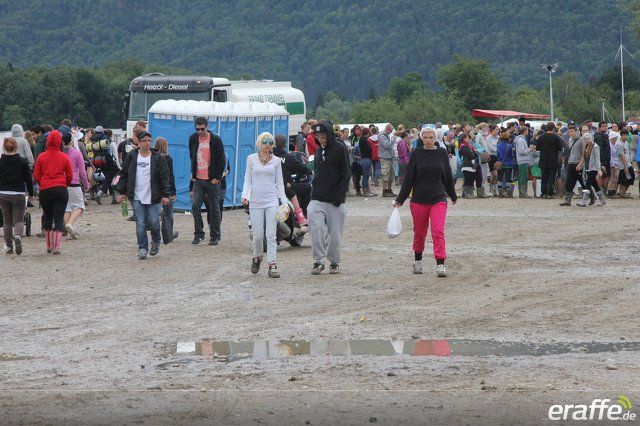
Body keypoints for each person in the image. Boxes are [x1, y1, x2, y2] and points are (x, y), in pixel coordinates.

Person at [393, 127, 457, 277]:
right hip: (419, 199)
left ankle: (440, 263)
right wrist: (400, 199)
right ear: (421, 138)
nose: (428, 140)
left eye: (431, 137)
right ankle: (418, 260)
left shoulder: (442, 152)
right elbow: (409, 178)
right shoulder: (416, 153)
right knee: (419, 233)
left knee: (437, 231)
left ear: (436, 138)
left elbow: (447, 174)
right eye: (425, 137)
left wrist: (452, 194)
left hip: (438, 198)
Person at [117, 131, 171, 259]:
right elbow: (124, 174)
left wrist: (166, 195)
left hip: (154, 196)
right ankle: (142, 248)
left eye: (149, 141)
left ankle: (156, 241)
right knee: (140, 224)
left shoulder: (158, 157)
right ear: (138, 142)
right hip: (136, 196)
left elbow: (165, 177)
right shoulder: (132, 156)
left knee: (154, 222)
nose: (147, 143)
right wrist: (122, 192)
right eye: (144, 141)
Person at [241, 132, 288, 278]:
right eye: (264, 142)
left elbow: (279, 183)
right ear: (258, 143)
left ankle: (272, 264)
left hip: (271, 201)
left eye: (270, 142)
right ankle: (257, 256)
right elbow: (247, 179)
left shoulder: (277, 161)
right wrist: (244, 195)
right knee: (257, 236)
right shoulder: (251, 159)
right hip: (255, 201)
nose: (267, 145)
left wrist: (284, 201)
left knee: (271, 235)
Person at [307, 121, 350, 275]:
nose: (320, 139)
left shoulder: (340, 149)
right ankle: (318, 260)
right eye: (318, 136)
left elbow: (346, 173)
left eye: (323, 136)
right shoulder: (319, 151)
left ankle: (334, 261)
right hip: (317, 197)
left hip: (335, 199)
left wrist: (340, 195)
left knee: (335, 234)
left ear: (330, 135)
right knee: (316, 228)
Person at [33, 130, 73, 255]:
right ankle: (56, 247)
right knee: (59, 217)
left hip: (45, 189)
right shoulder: (64, 156)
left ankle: (49, 245)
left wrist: (43, 183)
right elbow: (70, 175)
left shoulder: (41, 156)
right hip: (60, 188)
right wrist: (64, 183)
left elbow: (36, 175)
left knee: (48, 216)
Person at [189, 116, 226, 246]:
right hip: (198, 180)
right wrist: (193, 175)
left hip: (212, 180)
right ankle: (199, 233)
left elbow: (222, 159)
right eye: (197, 129)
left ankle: (215, 236)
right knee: (195, 206)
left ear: (207, 127)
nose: (200, 132)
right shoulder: (193, 138)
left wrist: (217, 177)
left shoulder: (215, 139)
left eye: (202, 129)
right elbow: (192, 156)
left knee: (214, 209)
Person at [0, 137, 34, 255]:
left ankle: (9, 246)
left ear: (4, 147)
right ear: (16, 147)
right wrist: (31, 193)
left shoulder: (1, 161)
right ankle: (18, 236)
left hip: (3, 193)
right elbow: (28, 179)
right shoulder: (23, 161)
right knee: (19, 220)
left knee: (7, 221)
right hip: (18, 193)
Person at [272, 134, 310, 230]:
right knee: (307, 188)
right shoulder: (288, 157)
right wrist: (309, 170)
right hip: (285, 186)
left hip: (271, 186)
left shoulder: (269, 156)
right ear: (285, 145)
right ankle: (302, 216)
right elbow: (301, 168)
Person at [62, 132, 89, 239]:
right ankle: (70, 224)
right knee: (79, 206)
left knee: (67, 207)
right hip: (74, 182)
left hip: (63, 183)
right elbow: (82, 171)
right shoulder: (77, 152)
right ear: (72, 141)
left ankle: (69, 230)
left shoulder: (61, 153)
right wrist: (86, 184)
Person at [154, 137, 179, 244]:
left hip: (154, 189)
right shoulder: (168, 158)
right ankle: (168, 236)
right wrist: (173, 192)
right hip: (166, 188)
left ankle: (156, 237)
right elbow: (170, 176)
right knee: (168, 214)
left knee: (155, 214)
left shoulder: (152, 157)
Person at [559, 125, 585, 206]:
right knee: (569, 181)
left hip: (578, 163)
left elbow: (584, 153)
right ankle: (567, 200)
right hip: (571, 163)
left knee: (582, 182)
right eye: (569, 131)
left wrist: (581, 164)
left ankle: (592, 195)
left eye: (572, 131)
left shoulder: (581, 140)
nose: (570, 133)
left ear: (576, 131)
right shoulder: (570, 140)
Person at [536, 122, 563, 198]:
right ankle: (550, 193)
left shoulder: (541, 137)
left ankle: (543, 193)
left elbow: (537, 148)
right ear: (554, 128)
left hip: (543, 160)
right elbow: (560, 148)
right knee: (552, 178)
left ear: (546, 128)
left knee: (544, 178)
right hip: (553, 160)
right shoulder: (556, 137)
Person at [582, 132, 606, 206]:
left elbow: (597, 159)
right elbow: (585, 157)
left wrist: (599, 170)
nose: (585, 141)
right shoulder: (586, 146)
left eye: (586, 139)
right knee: (595, 185)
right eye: (584, 139)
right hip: (588, 168)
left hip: (594, 168)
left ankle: (584, 202)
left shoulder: (595, 147)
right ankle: (602, 200)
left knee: (588, 184)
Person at [514, 126, 534, 198]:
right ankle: (523, 193)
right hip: (523, 161)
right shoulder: (520, 140)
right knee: (523, 177)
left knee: (522, 177)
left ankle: (522, 193)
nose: (528, 132)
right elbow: (521, 151)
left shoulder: (521, 139)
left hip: (523, 161)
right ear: (524, 131)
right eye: (527, 130)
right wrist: (529, 150)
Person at [378, 123, 396, 197]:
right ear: (388, 129)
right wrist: (393, 140)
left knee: (391, 175)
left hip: (389, 158)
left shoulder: (387, 135)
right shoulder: (381, 135)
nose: (391, 132)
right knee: (385, 174)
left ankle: (389, 190)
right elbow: (387, 145)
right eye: (391, 131)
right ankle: (384, 191)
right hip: (384, 158)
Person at [459, 132, 478, 199]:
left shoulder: (469, 146)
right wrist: (474, 153)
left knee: (471, 179)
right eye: (468, 138)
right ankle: (466, 193)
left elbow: (475, 154)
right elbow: (471, 155)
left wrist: (474, 153)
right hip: (466, 165)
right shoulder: (463, 147)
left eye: (470, 138)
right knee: (467, 180)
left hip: (470, 165)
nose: (469, 139)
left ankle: (468, 193)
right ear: (464, 139)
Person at [616, 128, 634, 198]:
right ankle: (622, 193)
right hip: (622, 165)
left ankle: (623, 192)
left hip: (628, 163)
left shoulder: (626, 143)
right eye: (624, 135)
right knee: (624, 180)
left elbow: (627, 153)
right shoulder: (619, 144)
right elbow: (622, 156)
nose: (625, 136)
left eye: (626, 135)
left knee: (631, 178)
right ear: (621, 135)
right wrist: (625, 167)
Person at [359, 127, 376, 197]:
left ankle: (368, 190)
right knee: (366, 176)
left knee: (366, 175)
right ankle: (365, 191)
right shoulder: (364, 139)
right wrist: (372, 148)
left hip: (364, 158)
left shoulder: (362, 139)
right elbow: (368, 149)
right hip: (366, 158)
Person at [594, 121, 611, 192]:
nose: (605, 127)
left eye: (606, 126)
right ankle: (599, 191)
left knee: (607, 175)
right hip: (602, 160)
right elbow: (599, 150)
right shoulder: (598, 136)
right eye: (603, 126)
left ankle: (604, 191)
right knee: (601, 175)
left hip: (607, 159)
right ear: (599, 128)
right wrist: (601, 163)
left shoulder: (606, 136)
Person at [349, 125, 363, 196]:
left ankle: (360, 188)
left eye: (358, 130)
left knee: (360, 175)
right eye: (356, 130)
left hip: (362, 159)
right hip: (355, 159)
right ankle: (357, 190)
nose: (357, 131)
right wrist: (355, 157)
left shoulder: (362, 137)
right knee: (356, 175)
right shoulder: (352, 138)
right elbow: (352, 149)